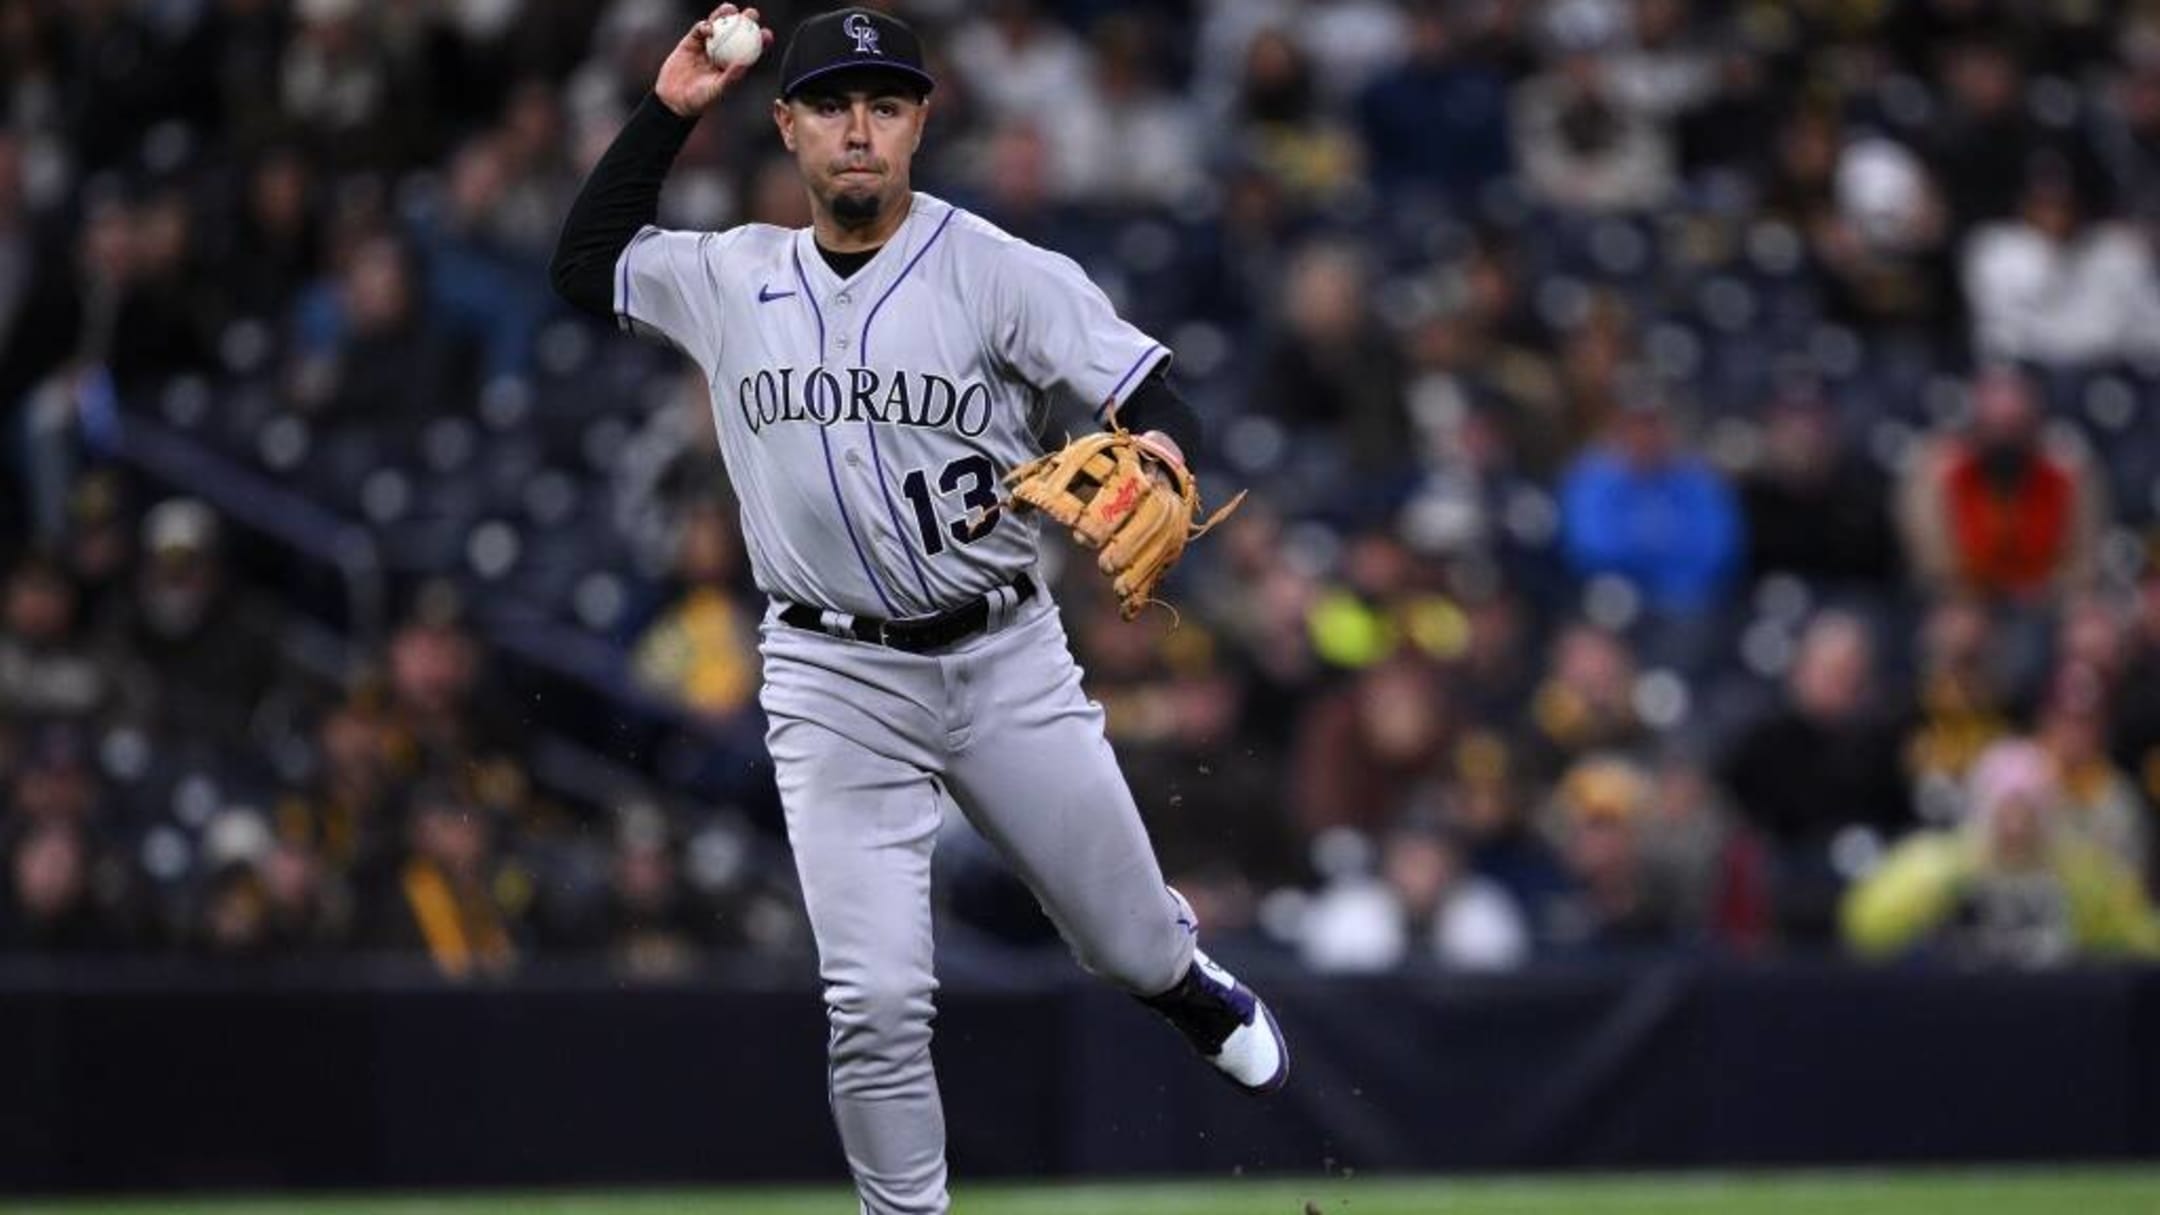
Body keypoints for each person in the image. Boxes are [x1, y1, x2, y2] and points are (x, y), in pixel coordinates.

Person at [547, 9, 1287, 1213]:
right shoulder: (734, 274)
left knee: (1127, 946)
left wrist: (1156, 451)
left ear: (920, 123)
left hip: (1004, 657)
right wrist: (670, 108)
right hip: (832, 678)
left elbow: (1153, 389)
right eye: (832, 105)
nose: (858, 129)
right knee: (875, 1003)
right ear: (785, 127)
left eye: (884, 105)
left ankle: (1184, 980)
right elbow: (585, 264)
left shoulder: (1000, 272)